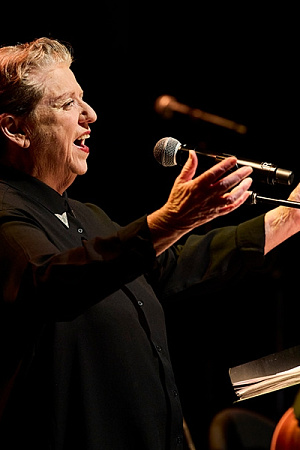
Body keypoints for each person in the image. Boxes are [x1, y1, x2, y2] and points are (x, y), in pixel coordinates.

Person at [0, 37, 299, 450]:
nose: (90, 115)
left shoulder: (88, 217)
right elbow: (50, 282)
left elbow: (176, 265)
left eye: (83, 100)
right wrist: (168, 221)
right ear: (15, 128)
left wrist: (292, 216)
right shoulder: (4, 211)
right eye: (67, 104)